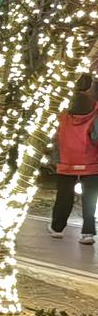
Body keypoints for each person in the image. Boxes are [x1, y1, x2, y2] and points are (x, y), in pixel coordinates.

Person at [49, 72, 98, 243]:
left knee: (64, 194)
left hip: (66, 161)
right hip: (91, 162)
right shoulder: (96, 109)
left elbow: (55, 136)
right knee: (90, 197)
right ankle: (88, 233)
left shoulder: (62, 109)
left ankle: (57, 228)